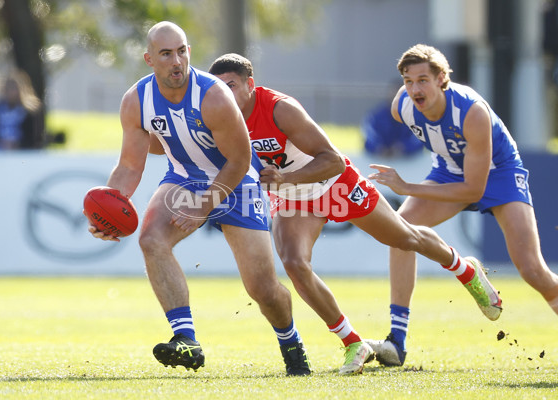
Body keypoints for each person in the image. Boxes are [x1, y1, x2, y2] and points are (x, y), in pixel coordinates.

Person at [208, 53, 502, 375]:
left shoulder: (280, 108)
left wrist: (284, 179)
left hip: (333, 183)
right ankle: (352, 342)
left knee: (406, 237)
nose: (226, 94)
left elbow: (332, 160)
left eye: (232, 86)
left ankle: (465, 270)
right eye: (219, 89)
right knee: (294, 263)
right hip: (291, 196)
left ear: (250, 85)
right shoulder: (220, 117)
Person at [86, 22, 311, 376]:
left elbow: (239, 161)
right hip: (185, 178)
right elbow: (130, 166)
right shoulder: (136, 100)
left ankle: (291, 341)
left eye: (182, 51)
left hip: (237, 183)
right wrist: (109, 208)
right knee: (151, 240)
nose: (177, 61)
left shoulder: (214, 95)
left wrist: (206, 205)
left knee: (262, 288)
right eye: (166, 54)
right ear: (149, 59)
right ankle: (186, 339)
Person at [366, 44, 558, 367]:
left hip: (499, 174)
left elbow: (473, 189)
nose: (415, 89)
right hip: (448, 170)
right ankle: (397, 342)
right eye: (408, 81)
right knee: (399, 232)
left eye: (423, 80)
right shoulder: (401, 106)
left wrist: (406, 186)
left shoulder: (471, 112)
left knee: (531, 268)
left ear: (442, 79)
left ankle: (466, 271)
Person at [0, 70, 44, 150]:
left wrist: (17, 144)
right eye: (7, 87)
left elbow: (35, 139)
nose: (9, 91)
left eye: (13, 88)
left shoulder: (30, 112)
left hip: (23, 151)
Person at [362, 86, 423, 158]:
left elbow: (418, 138)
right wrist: (380, 148)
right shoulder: (376, 115)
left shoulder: (416, 116)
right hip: (380, 158)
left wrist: (402, 147)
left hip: (409, 160)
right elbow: (369, 135)